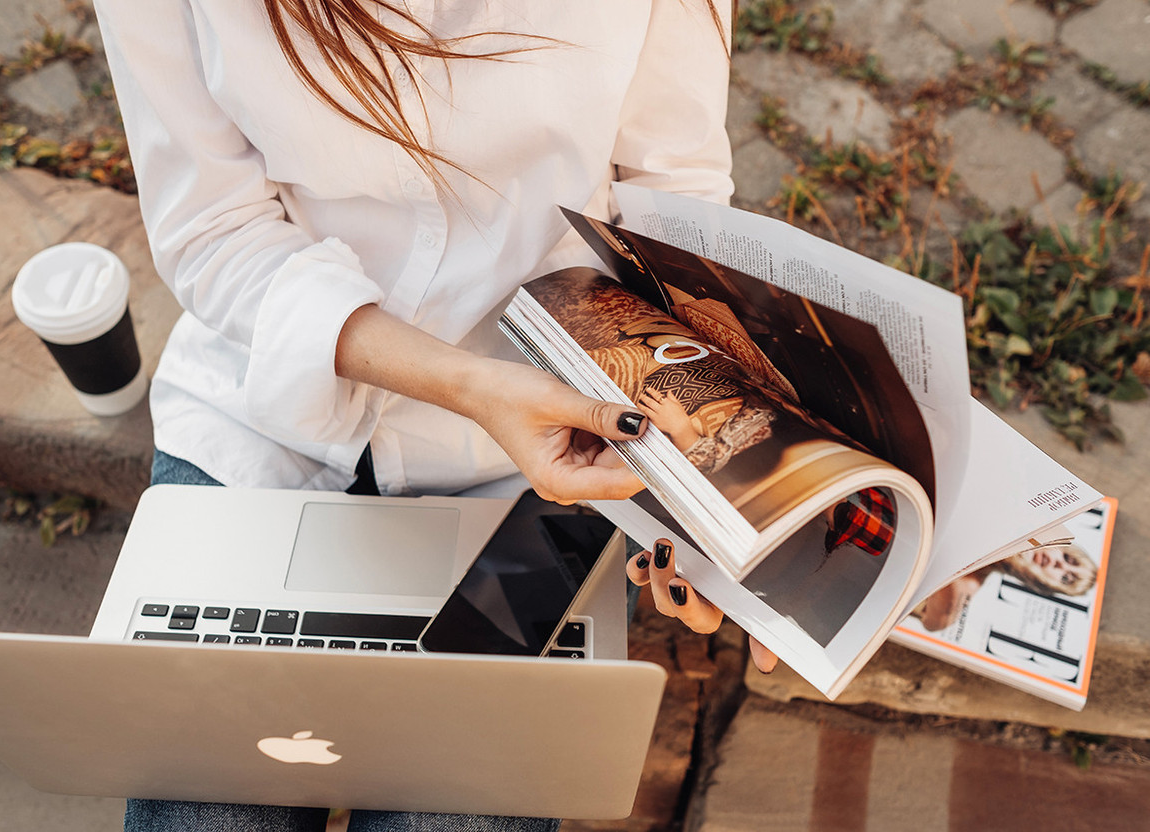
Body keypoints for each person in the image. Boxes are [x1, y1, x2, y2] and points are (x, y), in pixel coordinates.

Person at [92, 1, 754, 829]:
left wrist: (700, 506)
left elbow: (673, 201)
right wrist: (469, 387)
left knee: (456, 813)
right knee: (208, 808)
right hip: (264, 425)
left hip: (538, 476)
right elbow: (214, 232)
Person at [911, 544, 1098, 632]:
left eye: (1066, 578)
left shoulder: (972, 579)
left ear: (1045, 586)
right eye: (1068, 558)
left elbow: (936, 622)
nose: (1059, 565)